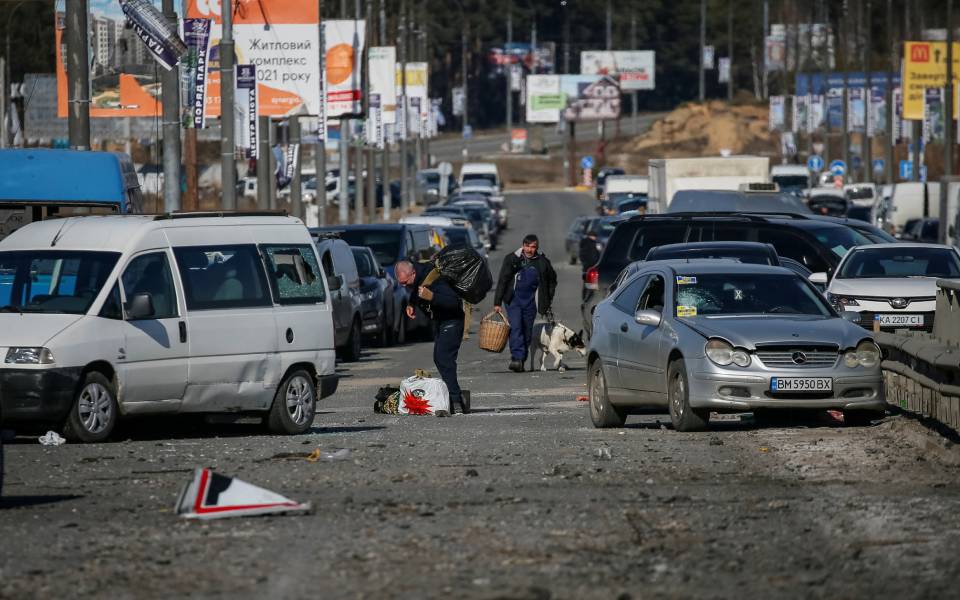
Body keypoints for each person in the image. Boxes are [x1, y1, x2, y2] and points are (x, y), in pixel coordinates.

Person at [395, 260, 469, 414]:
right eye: (400, 283)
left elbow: (454, 302)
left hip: (453, 321)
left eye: (405, 282)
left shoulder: (435, 280)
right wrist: (411, 303)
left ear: (413, 273)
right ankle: (457, 396)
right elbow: (416, 288)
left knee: (444, 358)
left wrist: (432, 297)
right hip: (441, 322)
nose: (403, 286)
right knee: (439, 358)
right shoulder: (419, 277)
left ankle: (456, 400)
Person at [493, 234, 557, 372]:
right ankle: (516, 358)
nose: (529, 249)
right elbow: (503, 280)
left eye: (533, 247)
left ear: (536, 247)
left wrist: (547, 298)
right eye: (527, 246)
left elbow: (552, 280)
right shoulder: (512, 259)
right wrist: (497, 302)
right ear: (523, 245)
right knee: (516, 327)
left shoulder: (543, 262)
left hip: (531, 302)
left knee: (527, 331)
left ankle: (521, 359)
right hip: (513, 300)